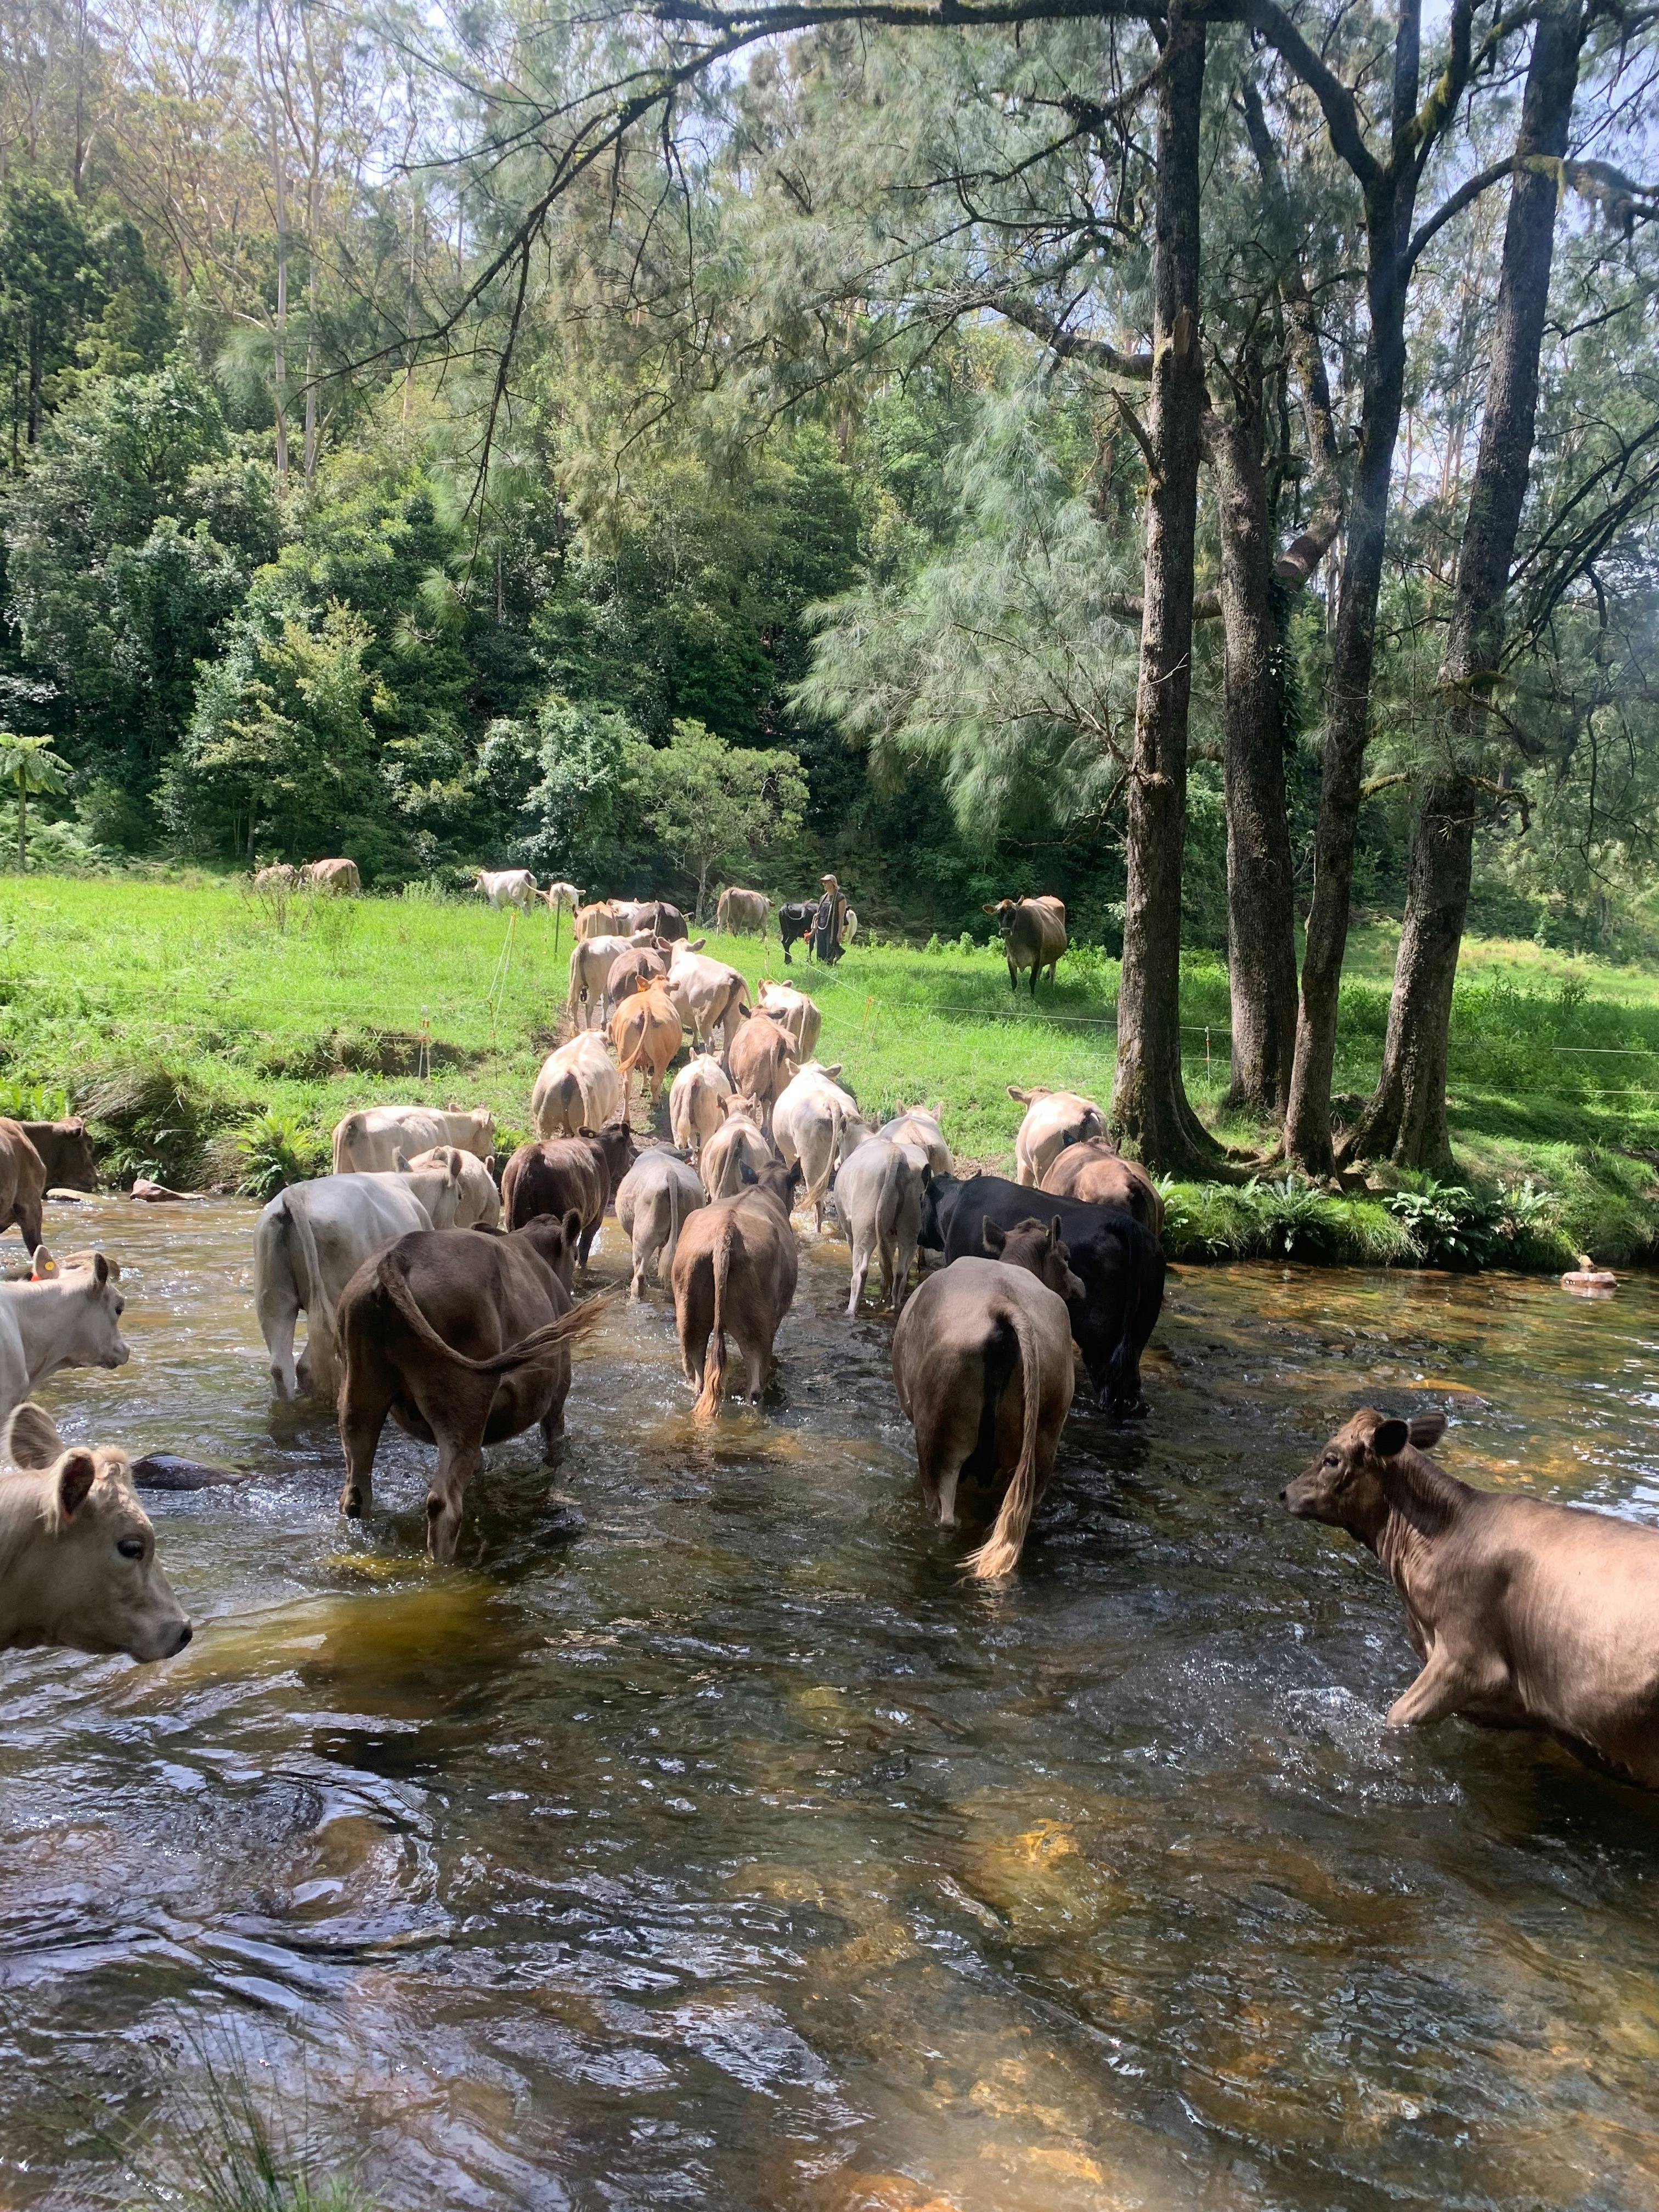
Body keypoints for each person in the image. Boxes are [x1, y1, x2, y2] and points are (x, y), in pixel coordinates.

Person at [811, 873, 850, 964]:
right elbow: (820, 913)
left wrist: (839, 933)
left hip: (832, 928)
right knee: (821, 950)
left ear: (833, 883)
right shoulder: (823, 898)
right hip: (821, 927)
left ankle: (831, 962)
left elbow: (841, 917)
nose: (824, 884)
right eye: (823, 882)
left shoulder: (840, 898)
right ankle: (822, 965)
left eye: (826, 882)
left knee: (830, 950)